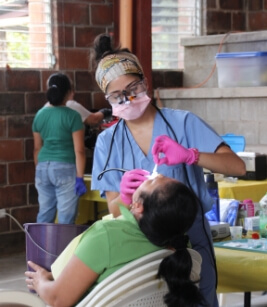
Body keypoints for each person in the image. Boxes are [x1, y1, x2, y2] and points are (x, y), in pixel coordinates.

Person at [91, 33, 246, 306]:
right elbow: (114, 208)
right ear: (108, 99)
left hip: (190, 242)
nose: (128, 99)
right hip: (139, 249)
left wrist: (190, 155)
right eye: (118, 96)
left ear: (145, 83)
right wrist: (125, 197)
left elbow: (238, 166)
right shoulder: (108, 141)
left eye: (134, 89)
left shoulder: (182, 124)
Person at [25, 175, 205, 307]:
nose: (153, 175)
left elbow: (58, 300)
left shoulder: (106, 237)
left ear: (138, 206)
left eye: (151, 181)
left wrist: (40, 282)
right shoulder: (181, 246)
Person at [32, 72, 87, 224]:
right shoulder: (73, 116)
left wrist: (41, 169)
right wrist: (80, 178)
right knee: (66, 219)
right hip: (65, 168)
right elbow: (79, 150)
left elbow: (37, 148)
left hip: (42, 168)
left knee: (44, 213)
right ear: (69, 93)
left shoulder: (39, 115)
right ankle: (63, 248)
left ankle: (39, 247)